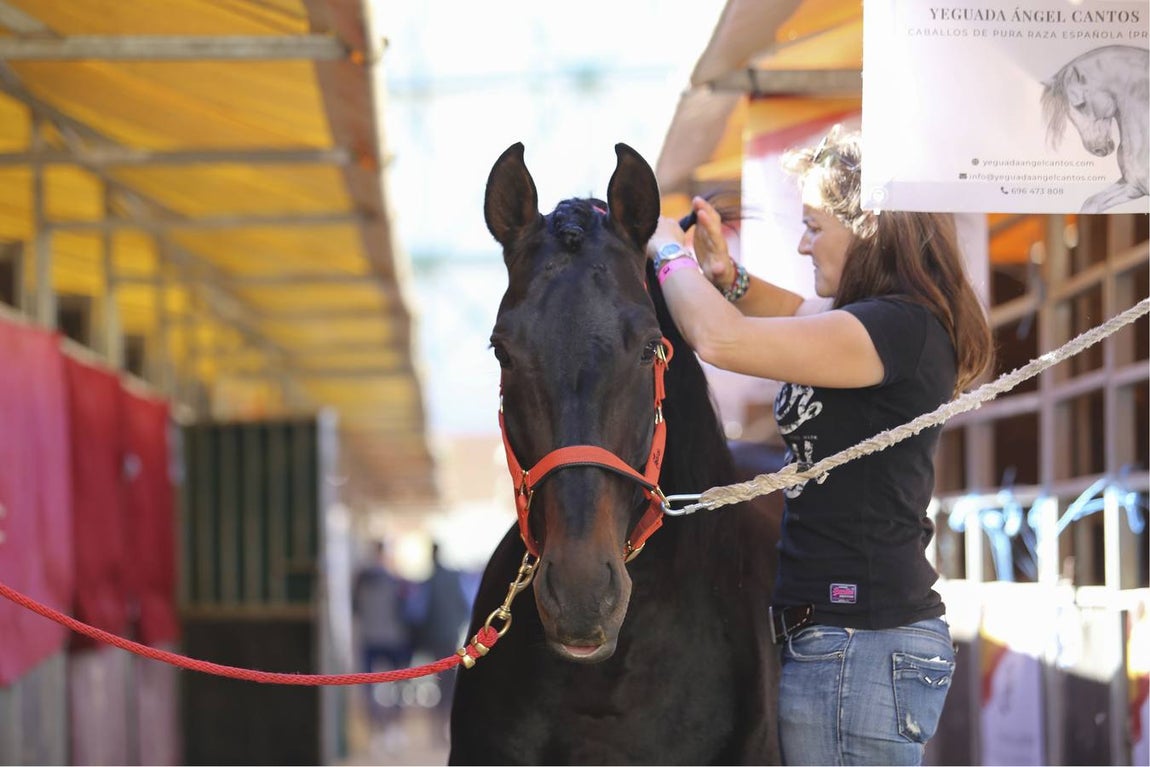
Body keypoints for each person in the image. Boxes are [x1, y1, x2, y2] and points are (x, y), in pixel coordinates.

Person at [645, 125, 992, 766]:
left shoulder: (897, 327)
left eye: (813, 225)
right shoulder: (882, 323)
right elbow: (789, 313)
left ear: (866, 225)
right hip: (847, 645)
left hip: (859, 644)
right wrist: (727, 277)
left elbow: (720, 341)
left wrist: (670, 251)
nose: (803, 245)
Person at [352, 539, 415, 727]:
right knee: (397, 684)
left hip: (370, 636)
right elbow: (406, 612)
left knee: (370, 685)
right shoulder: (396, 581)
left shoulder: (362, 580)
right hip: (392, 637)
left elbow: (356, 609)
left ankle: (377, 726)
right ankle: (393, 724)